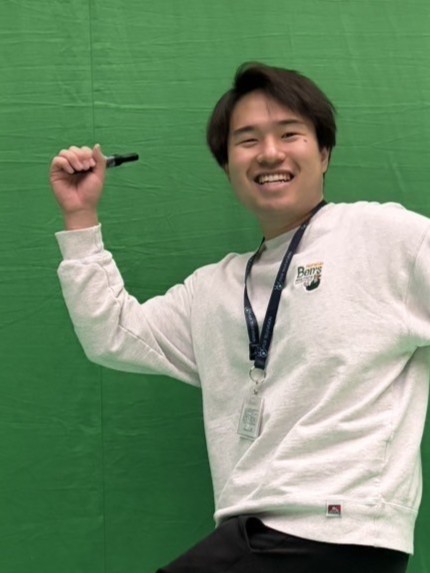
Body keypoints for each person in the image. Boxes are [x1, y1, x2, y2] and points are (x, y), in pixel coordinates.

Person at [49, 62, 430, 573]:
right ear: (227, 166)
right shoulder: (213, 289)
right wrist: (80, 219)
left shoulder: (383, 237)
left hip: (343, 532)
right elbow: (112, 334)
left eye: (290, 134)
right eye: (248, 140)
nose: (270, 153)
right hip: (249, 533)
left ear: (323, 153)